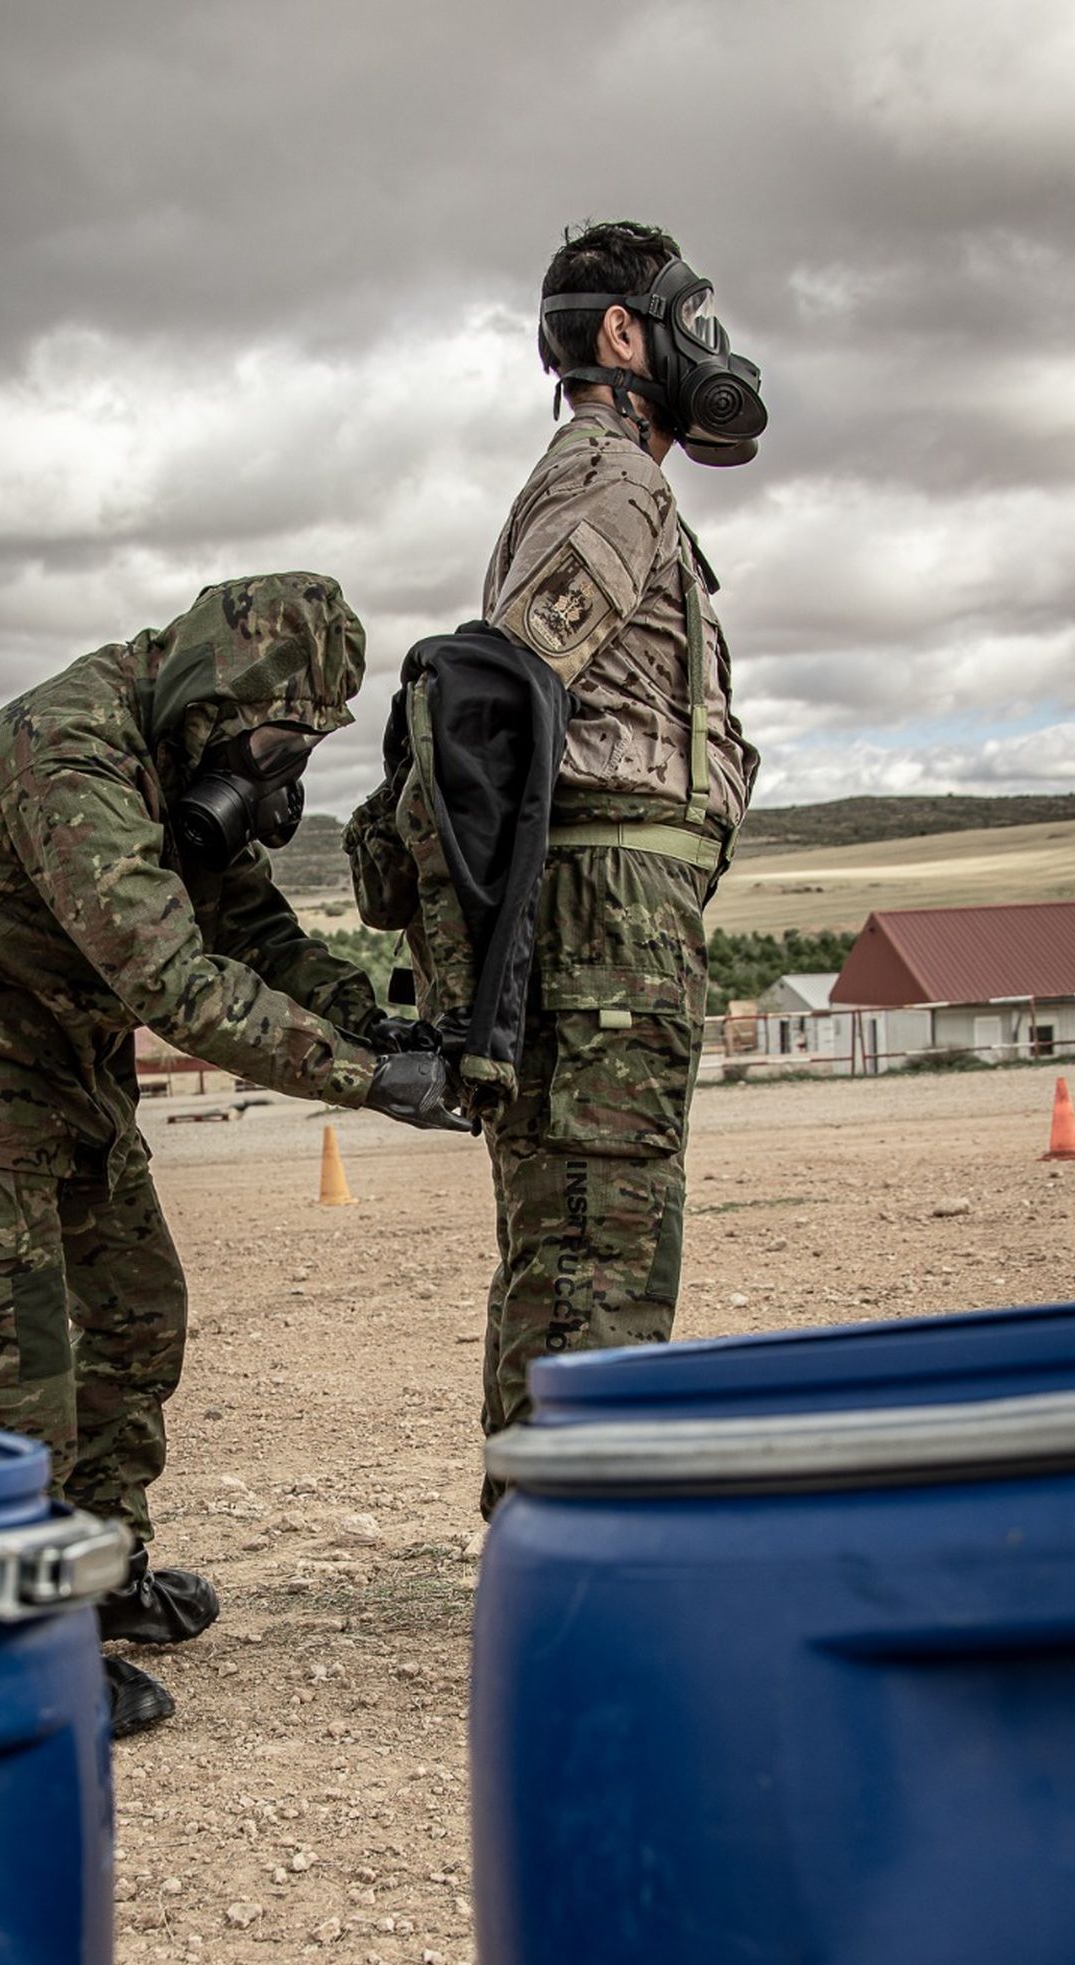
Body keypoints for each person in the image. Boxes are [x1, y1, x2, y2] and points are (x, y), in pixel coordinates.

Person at [0, 572, 467, 1731]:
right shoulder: (68, 755)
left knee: (137, 1318)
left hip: (70, 1081)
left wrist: (373, 1020)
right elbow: (175, 983)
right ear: (216, 693)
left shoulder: (186, 765)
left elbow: (253, 933)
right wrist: (367, 1078)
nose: (279, 772)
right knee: (16, 1379)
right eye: (279, 737)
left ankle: (100, 1572)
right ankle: (23, 1647)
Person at [346, 221, 763, 1502]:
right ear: (627, 334)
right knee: (601, 1238)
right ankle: (580, 1544)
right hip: (605, 910)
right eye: (688, 317)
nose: (712, 346)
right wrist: (476, 949)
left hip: (601, 906)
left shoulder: (600, 484)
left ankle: (553, 1533)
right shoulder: (612, 483)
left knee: (574, 1238)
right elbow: (495, 694)